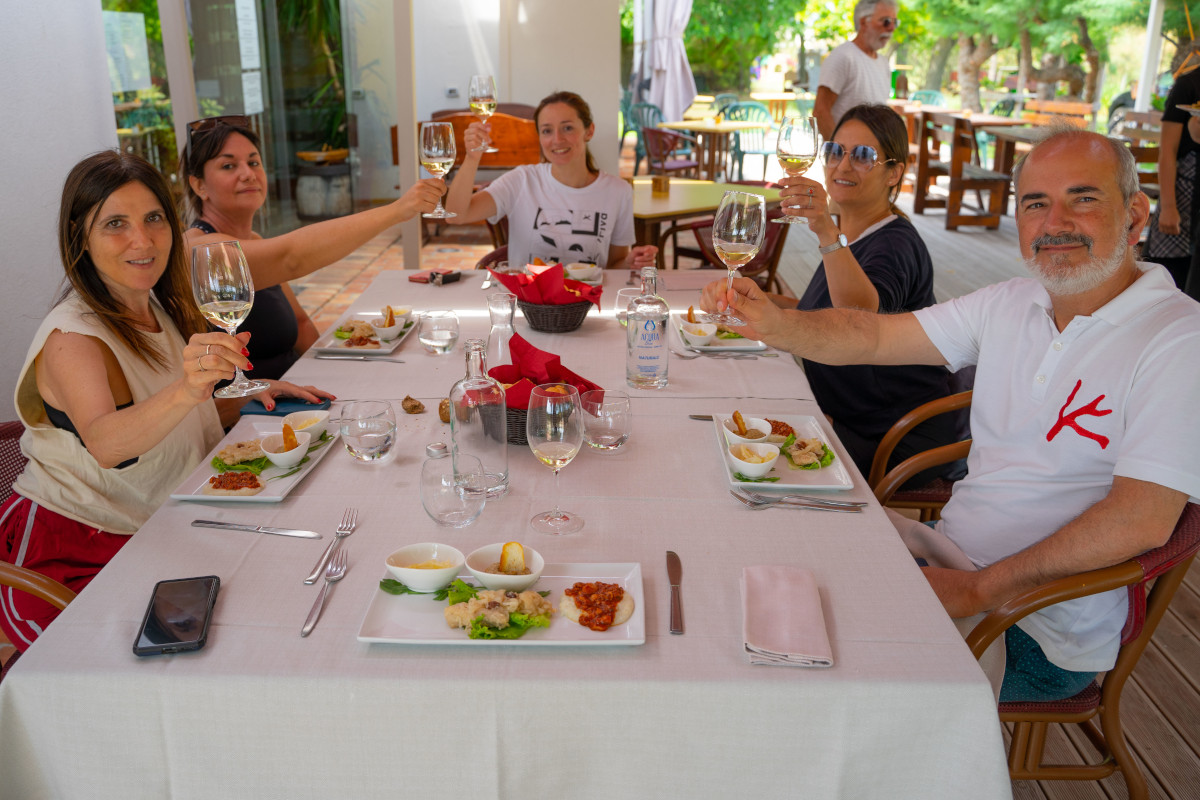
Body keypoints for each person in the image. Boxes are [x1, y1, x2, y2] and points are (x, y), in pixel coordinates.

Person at [704, 126, 1200, 702]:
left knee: (787, 658)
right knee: (755, 539)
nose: (1055, 222)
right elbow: (873, 337)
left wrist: (974, 591)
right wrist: (780, 326)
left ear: (1136, 215)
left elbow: (1140, 521)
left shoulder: (1177, 339)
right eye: (1036, 203)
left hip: (1034, 624)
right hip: (948, 554)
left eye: (1082, 199)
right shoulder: (1013, 301)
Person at [0, 151, 331, 655]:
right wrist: (189, 387)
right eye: (115, 223)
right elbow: (108, 442)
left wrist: (248, 390)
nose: (142, 239)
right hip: (74, 548)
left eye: (154, 218)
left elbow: (174, 420)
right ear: (78, 238)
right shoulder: (74, 337)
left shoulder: (158, 305)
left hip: (162, 526)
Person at [701, 103, 959, 485]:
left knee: (734, 455)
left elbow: (857, 314)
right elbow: (814, 309)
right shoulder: (849, 238)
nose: (843, 165)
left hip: (891, 438)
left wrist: (824, 229)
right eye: (836, 151)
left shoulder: (895, 244)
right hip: (846, 414)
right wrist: (754, 299)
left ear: (895, 173)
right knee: (726, 415)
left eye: (863, 156)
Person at [182, 116, 445, 379]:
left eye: (253, 162)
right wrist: (397, 211)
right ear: (199, 185)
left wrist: (334, 379)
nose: (248, 174)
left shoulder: (255, 240)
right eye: (228, 166)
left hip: (295, 396)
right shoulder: (195, 249)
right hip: (250, 413)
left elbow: (301, 323)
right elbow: (291, 257)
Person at [443, 91, 657, 270]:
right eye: (547, 130)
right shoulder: (522, 180)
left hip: (586, 306)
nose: (557, 139)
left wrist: (630, 262)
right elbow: (456, 216)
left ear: (589, 131)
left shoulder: (618, 191)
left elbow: (614, 264)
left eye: (567, 128)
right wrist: (471, 158)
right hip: (527, 308)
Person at [1142, 66, 1200, 296]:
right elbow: (1167, 151)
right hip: (1184, 190)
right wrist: (1167, 207)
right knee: (1168, 276)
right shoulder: (1189, 85)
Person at [814, 0, 899, 140]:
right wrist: (840, 153)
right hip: (848, 157)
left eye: (895, 22)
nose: (891, 28)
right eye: (886, 21)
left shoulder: (883, 63)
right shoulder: (843, 56)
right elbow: (820, 112)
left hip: (870, 157)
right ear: (864, 22)